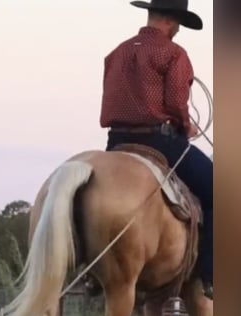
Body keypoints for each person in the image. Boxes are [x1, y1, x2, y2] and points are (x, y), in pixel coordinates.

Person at [100, 0, 213, 300]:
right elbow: (177, 102)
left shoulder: (116, 53)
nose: (177, 30)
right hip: (159, 141)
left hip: (116, 143)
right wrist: (186, 125)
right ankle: (209, 273)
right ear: (170, 19)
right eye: (177, 23)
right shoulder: (173, 53)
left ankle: (91, 268)